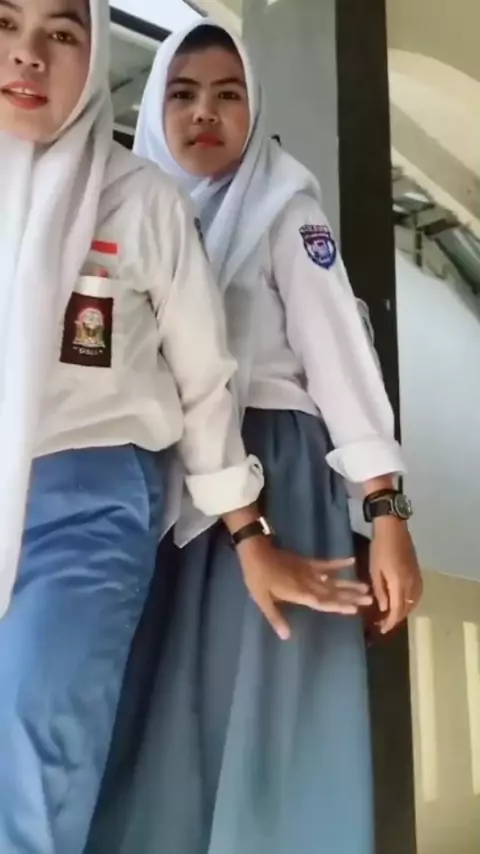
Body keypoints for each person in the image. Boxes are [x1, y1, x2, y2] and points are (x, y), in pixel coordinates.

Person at [0, 4, 375, 853]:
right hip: (166, 504)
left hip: (121, 494)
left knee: (41, 739)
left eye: (61, 33)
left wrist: (361, 508)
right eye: (6, 24)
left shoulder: (157, 202)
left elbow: (214, 380)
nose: (28, 55)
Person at [86, 20, 422, 854]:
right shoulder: (137, 214)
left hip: (279, 478)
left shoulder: (286, 215)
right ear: (153, 107)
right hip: (173, 481)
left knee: (272, 697)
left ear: (256, 108)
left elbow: (342, 363)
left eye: (227, 94)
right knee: (168, 708)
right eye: (183, 94)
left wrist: (385, 511)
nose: (205, 112)